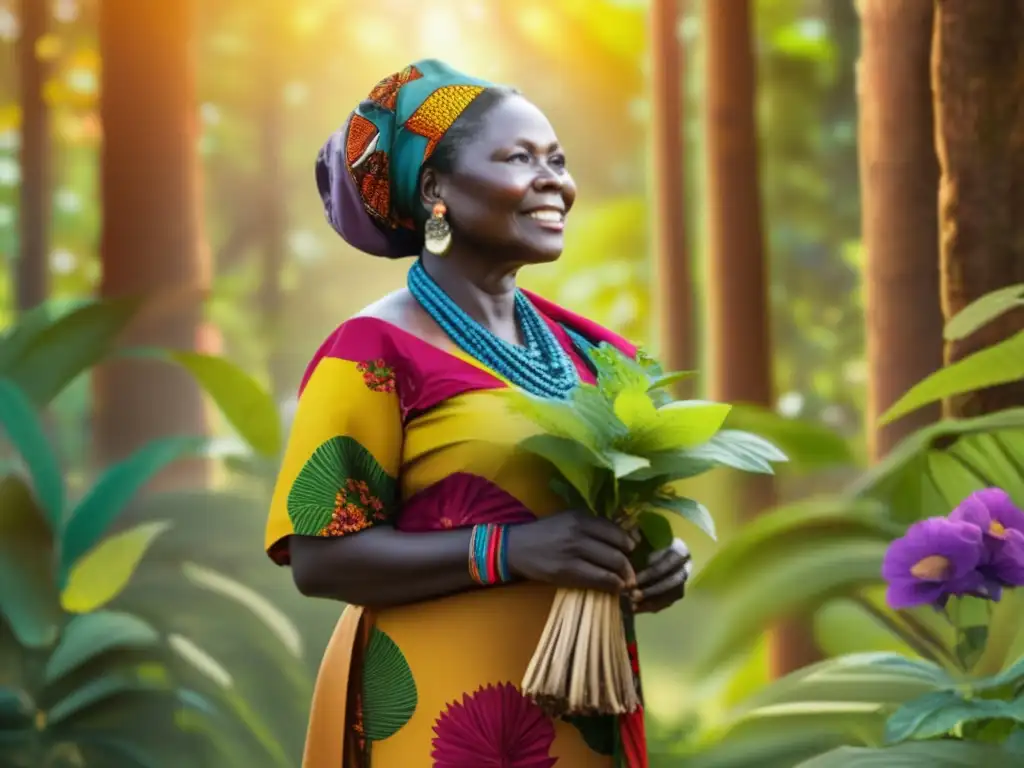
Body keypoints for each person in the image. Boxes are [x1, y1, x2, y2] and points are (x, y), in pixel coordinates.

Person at [265, 59, 692, 768]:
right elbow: (319, 557)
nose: (553, 178)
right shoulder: (370, 354)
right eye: (519, 158)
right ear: (436, 189)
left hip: (584, 711)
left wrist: (651, 565)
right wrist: (508, 551)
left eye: (557, 158)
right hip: (443, 717)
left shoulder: (599, 354)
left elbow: (611, 522)